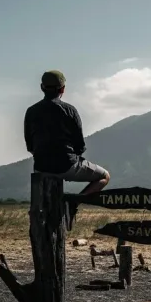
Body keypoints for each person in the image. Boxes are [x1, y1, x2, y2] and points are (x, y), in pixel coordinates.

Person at [24, 70, 110, 218]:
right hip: (67, 164)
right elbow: (80, 146)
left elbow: (30, 146)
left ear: (41, 87)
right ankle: (74, 202)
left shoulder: (31, 111)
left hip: (41, 167)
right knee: (104, 176)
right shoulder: (69, 110)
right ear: (63, 89)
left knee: (44, 208)